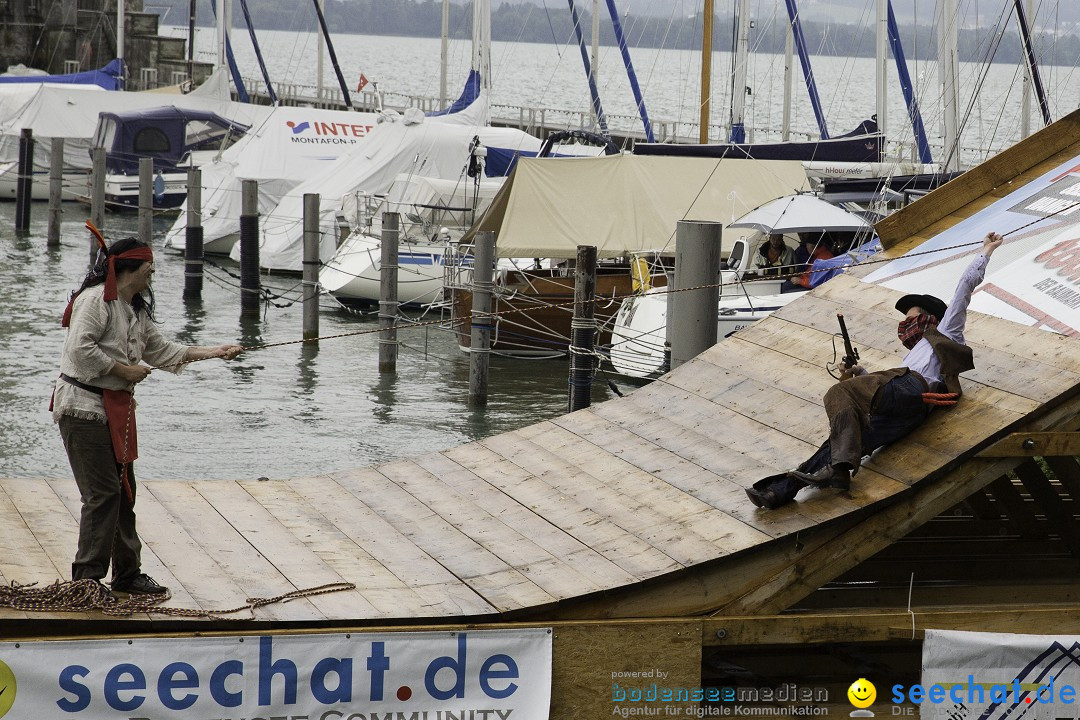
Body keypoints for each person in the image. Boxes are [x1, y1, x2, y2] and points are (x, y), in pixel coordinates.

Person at [746, 231, 1005, 510]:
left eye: (910, 317)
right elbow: (892, 388)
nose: (905, 324)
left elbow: (965, 287)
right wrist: (860, 371)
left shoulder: (947, 329)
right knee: (839, 442)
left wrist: (986, 251)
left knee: (837, 392)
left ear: (930, 318)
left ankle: (840, 469)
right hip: (909, 409)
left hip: (911, 391)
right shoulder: (922, 351)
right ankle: (778, 492)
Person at [52, 235, 243, 595]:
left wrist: (215, 351)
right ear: (131, 269)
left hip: (117, 410)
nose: (152, 272)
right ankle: (86, 580)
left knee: (123, 492)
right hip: (83, 408)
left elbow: (161, 349)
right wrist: (124, 371)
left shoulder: (134, 308)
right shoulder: (95, 301)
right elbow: (79, 350)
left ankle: (127, 574)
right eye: (148, 267)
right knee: (103, 495)